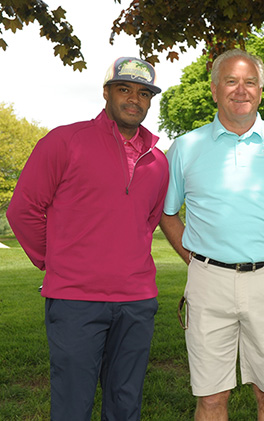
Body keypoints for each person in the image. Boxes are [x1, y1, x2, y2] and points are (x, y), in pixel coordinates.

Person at [6, 57, 169, 420]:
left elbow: (149, 220)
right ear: (107, 93)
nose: (134, 99)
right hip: (75, 300)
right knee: (72, 405)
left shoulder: (158, 160)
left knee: (126, 404)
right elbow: (23, 210)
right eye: (124, 89)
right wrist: (53, 261)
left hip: (137, 300)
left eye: (144, 93)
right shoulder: (64, 141)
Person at [159, 48, 264, 421]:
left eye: (250, 82)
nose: (241, 90)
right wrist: (194, 259)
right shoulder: (186, 147)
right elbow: (166, 213)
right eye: (231, 81)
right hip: (208, 283)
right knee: (211, 398)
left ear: (260, 90)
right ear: (214, 89)